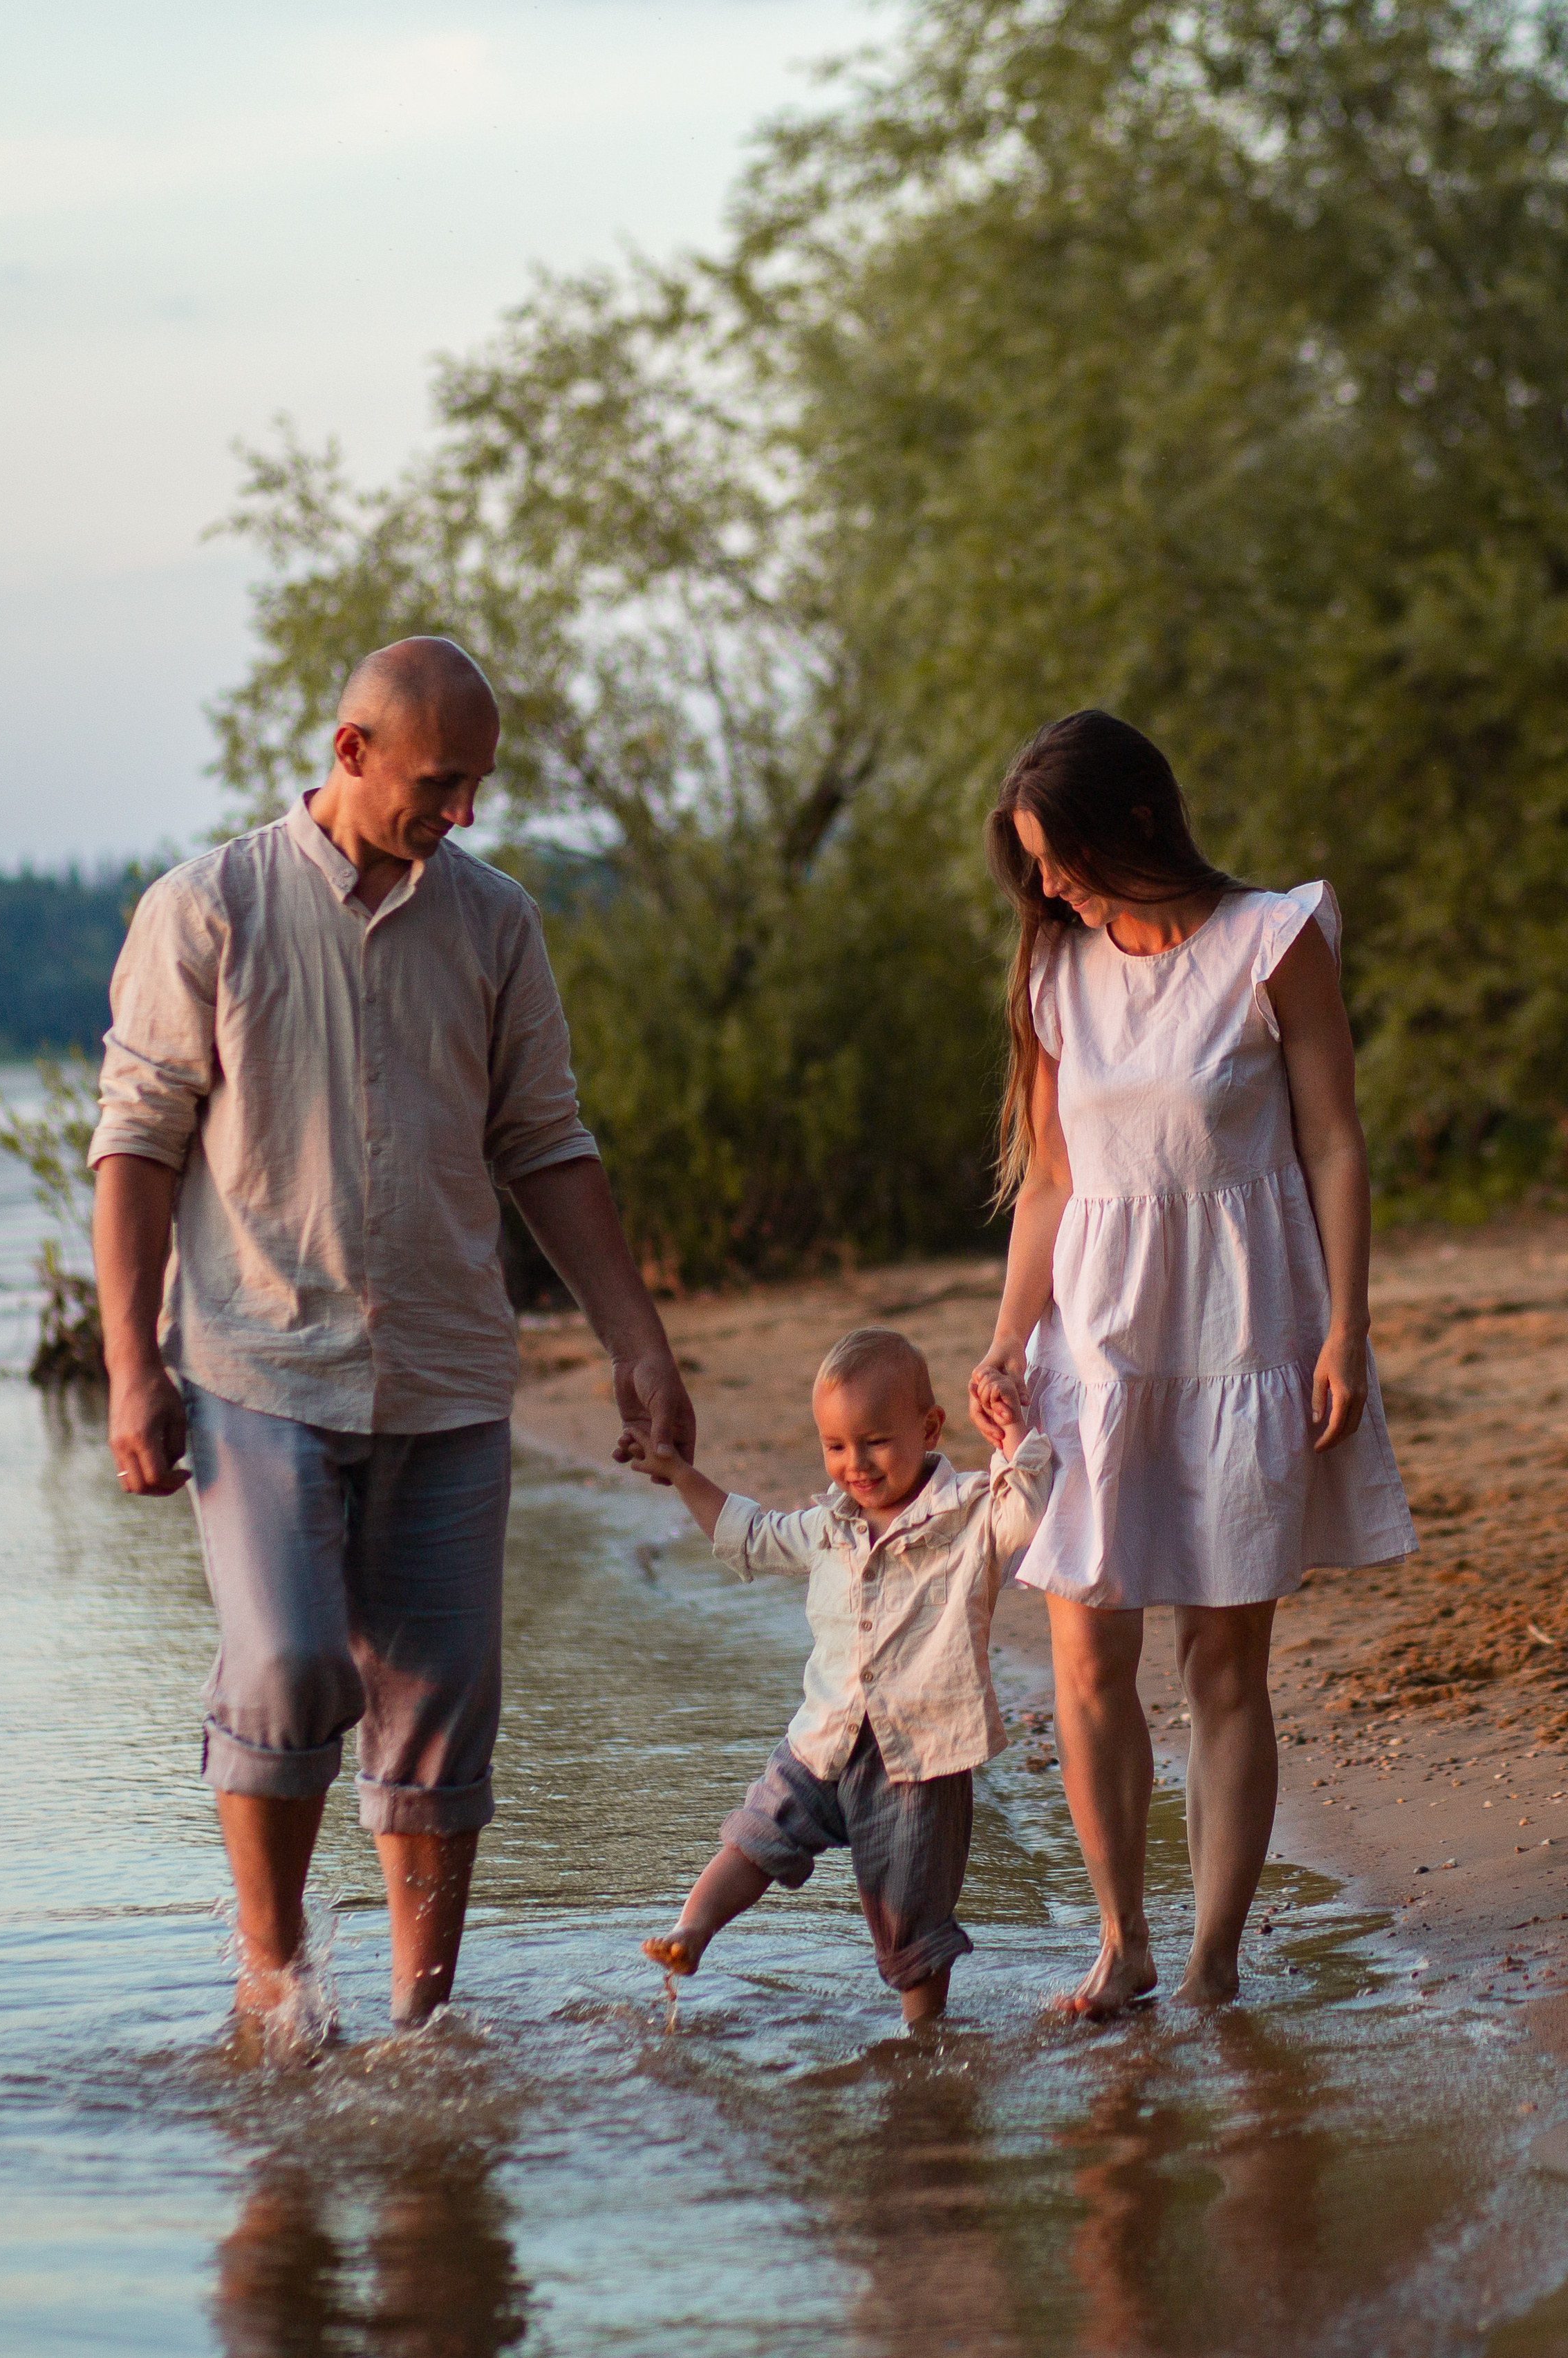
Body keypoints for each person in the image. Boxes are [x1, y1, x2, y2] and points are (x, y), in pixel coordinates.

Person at [88, 637, 696, 2035]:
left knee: (440, 1709)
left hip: (446, 1370)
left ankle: (423, 2030)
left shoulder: (494, 922)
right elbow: (135, 1146)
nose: (463, 812)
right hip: (256, 1365)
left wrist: (637, 1339)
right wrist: (131, 1366)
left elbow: (545, 1140)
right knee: (290, 1665)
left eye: (478, 784)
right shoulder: (208, 908)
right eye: (439, 782)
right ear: (351, 751)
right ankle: (278, 1977)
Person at [969, 710, 1415, 2017]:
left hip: (1240, 1331)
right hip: (1094, 1346)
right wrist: (1006, 1336)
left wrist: (1347, 1326)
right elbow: (1052, 1180)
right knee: (1086, 1662)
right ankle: (1124, 1945)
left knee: (1223, 1667)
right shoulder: (1055, 971)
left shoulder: (1272, 939)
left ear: (1139, 820)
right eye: (1034, 862)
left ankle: (1214, 1963)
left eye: (1061, 854)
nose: (1050, 883)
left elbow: (1334, 1141)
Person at [625, 1327, 1052, 2024]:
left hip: (920, 1758)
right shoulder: (829, 1526)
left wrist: (1014, 1437)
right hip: (822, 1739)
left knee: (911, 1913)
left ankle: (924, 2039)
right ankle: (691, 1931)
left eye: (875, 1441)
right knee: (756, 1833)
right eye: (836, 1446)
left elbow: (1025, 1511)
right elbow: (749, 1534)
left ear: (929, 1428)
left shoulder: (969, 1513)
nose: (855, 1464)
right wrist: (679, 1474)